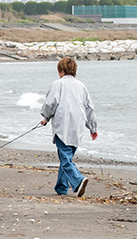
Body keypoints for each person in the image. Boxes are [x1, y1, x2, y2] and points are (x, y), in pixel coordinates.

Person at [39, 56, 97, 197]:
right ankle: (61, 187)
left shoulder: (57, 84)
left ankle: (78, 180)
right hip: (77, 126)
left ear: (61, 71)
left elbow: (50, 104)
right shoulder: (82, 86)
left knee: (65, 158)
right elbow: (89, 108)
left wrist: (46, 117)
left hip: (62, 125)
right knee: (66, 156)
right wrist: (93, 128)